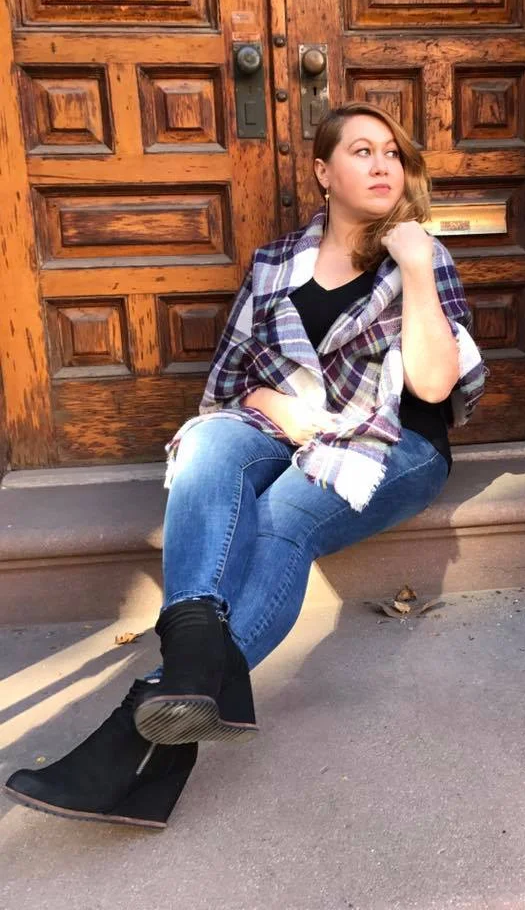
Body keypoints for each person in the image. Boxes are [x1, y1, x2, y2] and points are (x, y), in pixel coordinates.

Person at [4, 102, 487, 829]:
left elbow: (434, 384)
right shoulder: (274, 263)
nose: (382, 164)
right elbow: (231, 384)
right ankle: (191, 670)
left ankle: (138, 734)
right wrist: (275, 404)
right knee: (209, 442)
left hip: (393, 445)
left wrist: (416, 267)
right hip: (289, 426)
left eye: (392, 152)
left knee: (282, 517)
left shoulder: (423, 256)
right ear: (323, 172)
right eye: (361, 151)